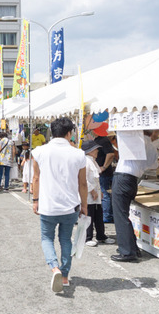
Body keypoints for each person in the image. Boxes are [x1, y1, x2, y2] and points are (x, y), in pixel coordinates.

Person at [32, 117, 87, 293]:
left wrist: (35, 200)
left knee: (47, 238)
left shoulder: (39, 151)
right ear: (69, 133)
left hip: (48, 206)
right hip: (70, 206)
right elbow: (83, 183)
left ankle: (54, 267)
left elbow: (36, 178)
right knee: (65, 239)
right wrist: (84, 205)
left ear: (52, 132)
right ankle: (64, 276)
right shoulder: (79, 154)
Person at [111, 130, 158, 262]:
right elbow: (154, 165)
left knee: (120, 216)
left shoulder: (133, 137)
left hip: (123, 177)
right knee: (123, 215)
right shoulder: (151, 145)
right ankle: (132, 248)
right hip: (133, 179)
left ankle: (127, 252)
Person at [82, 141, 116, 247]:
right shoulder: (85, 161)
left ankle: (101, 235)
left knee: (98, 215)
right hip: (88, 194)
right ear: (90, 151)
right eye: (95, 149)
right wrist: (92, 191)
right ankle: (87, 237)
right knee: (89, 215)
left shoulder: (93, 161)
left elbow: (96, 179)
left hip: (95, 194)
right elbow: (83, 179)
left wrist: (99, 191)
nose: (97, 151)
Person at [93, 132, 117, 223]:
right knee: (106, 194)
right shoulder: (100, 140)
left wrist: (103, 167)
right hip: (103, 172)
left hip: (104, 173)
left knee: (105, 194)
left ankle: (107, 216)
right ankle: (108, 215)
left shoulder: (103, 140)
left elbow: (110, 154)